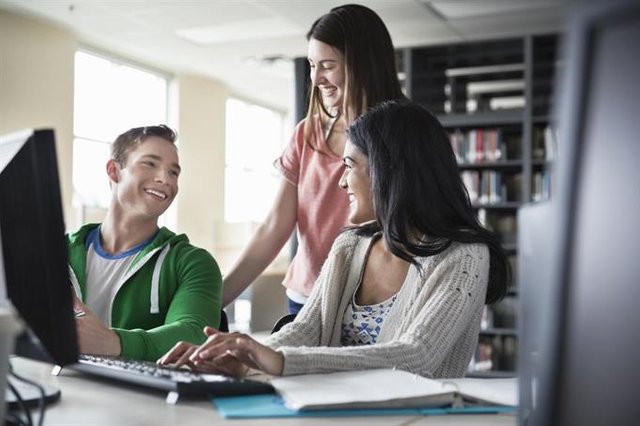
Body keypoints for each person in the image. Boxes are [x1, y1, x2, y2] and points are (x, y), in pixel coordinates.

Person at [158, 100, 509, 379]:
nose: (341, 183)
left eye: (350, 166)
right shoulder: (349, 246)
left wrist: (278, 361)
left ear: (388, 171)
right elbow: (306, 331)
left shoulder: (465, 256)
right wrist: (245, 357)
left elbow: (417, 355)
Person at [222, 4, 406, 314]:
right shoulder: (306, 135)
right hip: (305, 299)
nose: (316, 78)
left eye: (328, 65)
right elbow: (273, 228)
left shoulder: (406, 135)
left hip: (373, 301)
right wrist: (213, 302)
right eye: (312, 64)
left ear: (362, 65)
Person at [68, 125, 222, 362]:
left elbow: (194, 333)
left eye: (173, 172)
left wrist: (113, 342)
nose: (164, 179)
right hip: (60, 386)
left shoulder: (192, 262)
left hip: (143, 398)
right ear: (113, 171)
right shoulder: (57, 253)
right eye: (150, 163)